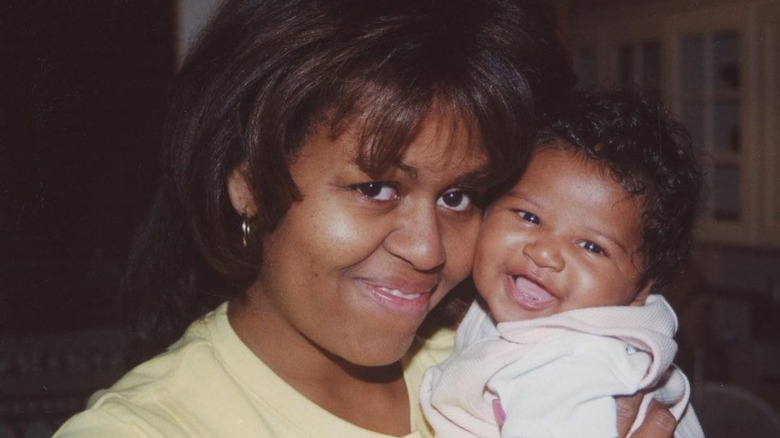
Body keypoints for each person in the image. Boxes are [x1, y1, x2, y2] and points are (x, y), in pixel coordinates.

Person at [54, 1, 678, 436]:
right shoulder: (144, 429)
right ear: (247, 185)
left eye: (458, 196)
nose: (429, 250)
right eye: (375, 187)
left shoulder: (511, 354)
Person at [420, 89, 705, 437]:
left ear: (641, 288)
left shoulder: (571, 367)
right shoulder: (513, 321)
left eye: (591, 246)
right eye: (528, 216)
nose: (544, 253)